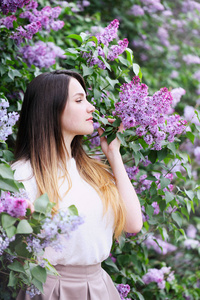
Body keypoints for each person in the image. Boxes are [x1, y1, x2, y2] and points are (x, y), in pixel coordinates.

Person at [12, 70, 143, 300]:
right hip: (50, 289)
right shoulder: (24, 174)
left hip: (100, 287)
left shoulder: (90, 171)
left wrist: (114, 155)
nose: (91, 107)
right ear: (51, 108)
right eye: (79, 100)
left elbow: (133, 224)